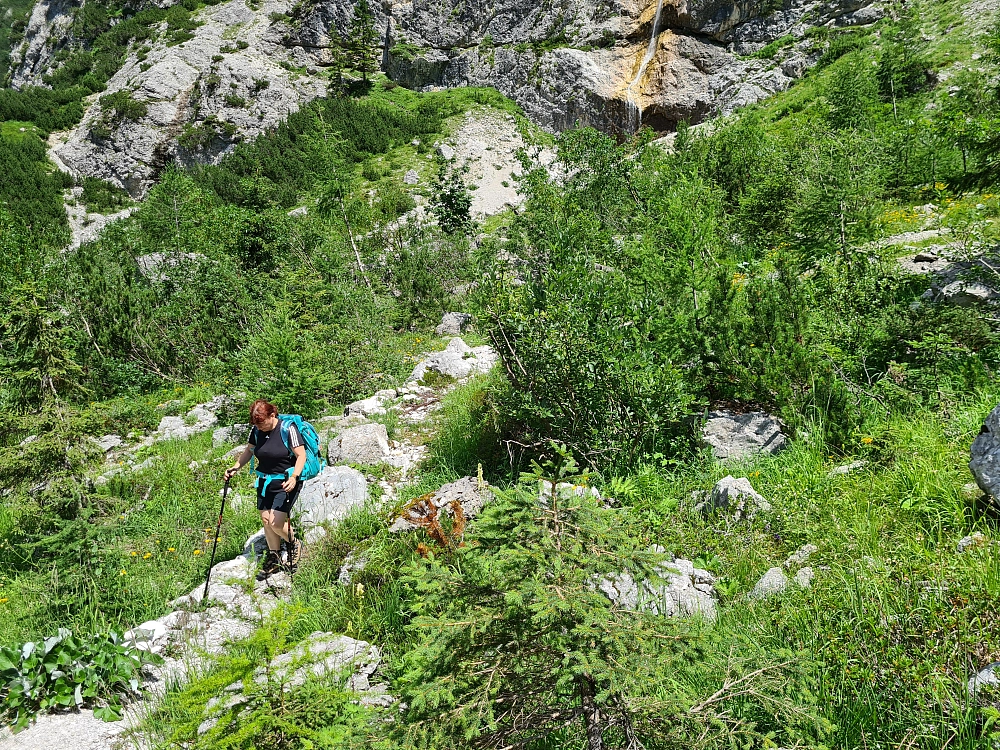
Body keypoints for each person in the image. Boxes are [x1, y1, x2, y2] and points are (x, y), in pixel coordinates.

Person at [225, 399, 305, 579]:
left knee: (276, 522)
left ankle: (293, 543)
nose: (259, 427)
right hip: (264, 481)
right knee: (266, 520)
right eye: (256, 424)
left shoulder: (288, 429)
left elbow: (301, 455)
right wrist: (236, 467)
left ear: (272, 415)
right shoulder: (256, 431)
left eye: (262, 423)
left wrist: (294, 477)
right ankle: (274, 556)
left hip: (285, 481)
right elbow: (249, 450)